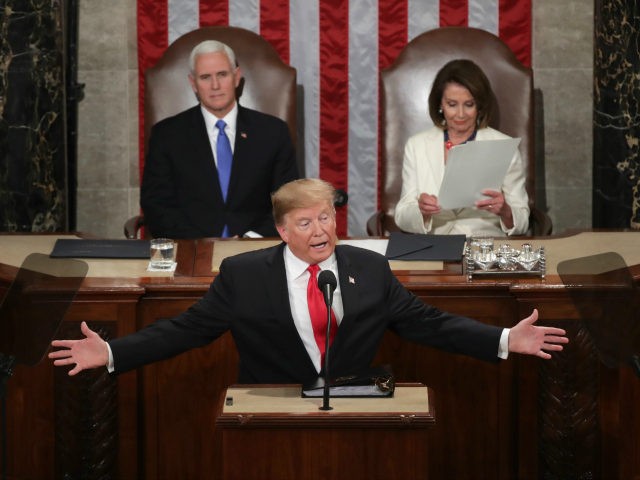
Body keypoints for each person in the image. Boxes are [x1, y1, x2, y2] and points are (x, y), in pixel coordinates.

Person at [50, 178, 567, 385]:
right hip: (269, 415)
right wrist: (113, 353)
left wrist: (503, 339)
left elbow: (428, 323)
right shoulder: (244, 275)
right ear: (281, 230)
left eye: (325, 218)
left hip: (352, 411)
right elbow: (186, 330)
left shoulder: (367, 267)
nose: (320, 231)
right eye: (305, 222)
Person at [140, 39, 299, 239]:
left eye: (222, 75)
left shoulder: (273, 132)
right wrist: (200, 243)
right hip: (191, 251)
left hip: (257, 250)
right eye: (205, 77)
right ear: (193, 84)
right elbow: (156, 204)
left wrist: (251, 239)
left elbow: (289, 200)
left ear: (236, 77)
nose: (215, 85)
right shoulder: (167, 135)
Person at [394, 59, 530, 236]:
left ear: (479, 106)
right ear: (440, 105)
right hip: (435, 247)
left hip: (484, 248)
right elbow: (402, 215)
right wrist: (422, 212)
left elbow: (523, 221)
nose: (460, 114)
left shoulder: (504, 146)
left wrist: (505, 211)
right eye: (452, 104)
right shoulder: (416, 145)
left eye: (469, 105)